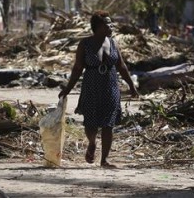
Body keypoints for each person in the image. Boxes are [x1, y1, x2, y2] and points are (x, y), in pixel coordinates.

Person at [58, 10, 139, 168]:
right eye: (108, 23)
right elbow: (77, 69)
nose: (111, 26)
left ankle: (104, 159)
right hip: (91, 86)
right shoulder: (85, 44)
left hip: (111, 86)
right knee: (91, 123)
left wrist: (131, 86)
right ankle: (92, 142)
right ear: (98, 26)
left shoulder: (113, 42)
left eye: (111, 23)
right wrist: (67, 89)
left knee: (109, 124)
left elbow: (121, 66)